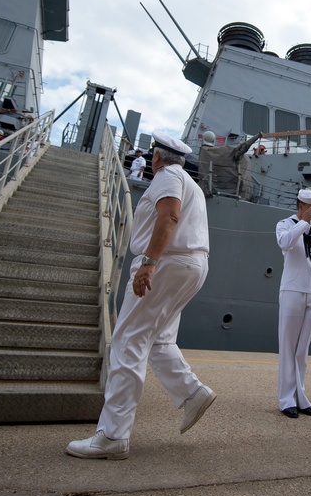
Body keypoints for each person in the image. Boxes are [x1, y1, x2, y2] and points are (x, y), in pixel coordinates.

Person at [66, 132, 215, 460]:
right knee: (158, 339)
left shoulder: (167, 176)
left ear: (157, 157)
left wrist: (149, 263)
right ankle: (192, 393)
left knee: (129, 341)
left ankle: (113, 435)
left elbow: (169, 215)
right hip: (192, 264)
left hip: (167, 263)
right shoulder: (189, 181)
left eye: (152, 154)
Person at [275, 188, 311, 418]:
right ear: (300, 206)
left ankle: (300, 398)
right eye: (310, 208)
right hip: (292, 289)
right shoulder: (285, 225)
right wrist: (303, 223)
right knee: (288, 347)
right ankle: (286, 400)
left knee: (302, 349)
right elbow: (285, 243)